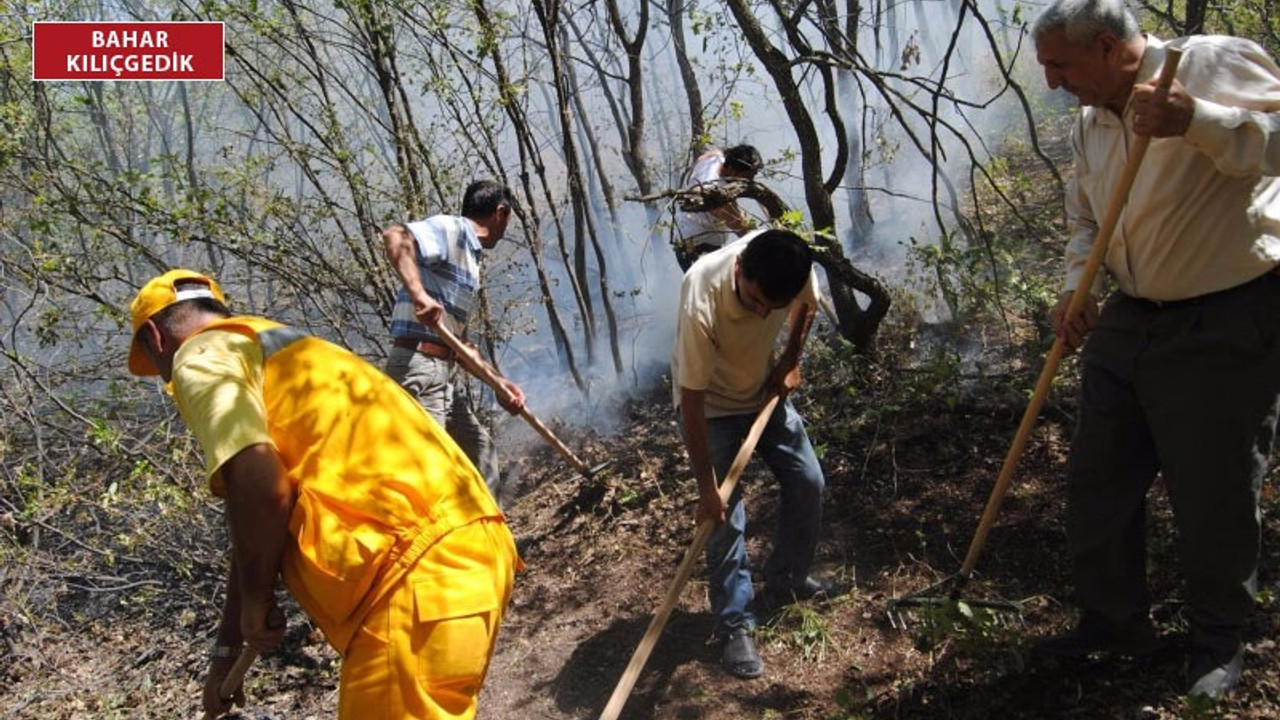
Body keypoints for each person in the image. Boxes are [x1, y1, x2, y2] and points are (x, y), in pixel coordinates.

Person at [126, 269, 518, 720]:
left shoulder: (201, 355)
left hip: (410, 577)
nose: (165, 380)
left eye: (157, 370)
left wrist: (257, 602)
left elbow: (259, 482)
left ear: (155, 338)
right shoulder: (287, 348)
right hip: (471, 548)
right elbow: (254, 519)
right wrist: (226, 649)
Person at [1031, 0, 1280, 701]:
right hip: (1131, 319)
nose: (1052, 82)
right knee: (1098, 480)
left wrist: (1196, 121)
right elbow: (1086, 218)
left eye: (1061, 65)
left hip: (1224, 316)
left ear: (1109, 48)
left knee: (1214, 492)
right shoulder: (1090, 123)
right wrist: (1078, 286)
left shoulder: (1207, 64)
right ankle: (1114, 623)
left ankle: (1217, 640)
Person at [671, 228, 845, 679]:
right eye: (753, 302)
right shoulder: (701, 292)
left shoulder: (789, 261)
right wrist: (708, 490)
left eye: (773, 306)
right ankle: (735, 625)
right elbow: (690, 400)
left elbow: (806, 304)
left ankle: (787, 578)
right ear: (740, 266)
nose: (763, 312)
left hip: (765, 393)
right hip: (711, 409)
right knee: (725, 518)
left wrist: (790, 358)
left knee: (809, 481)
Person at [382, 179, 526, 505]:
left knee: (481, 452)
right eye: (508, 219)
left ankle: (490, 542)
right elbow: (396, 236)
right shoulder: (453, 230)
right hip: (417, 368)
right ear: (500, 212)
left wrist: (499, 384)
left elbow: (460, 345)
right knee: (432, 472)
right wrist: (419, 295)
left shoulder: (470, 261)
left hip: (443, 372)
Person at [674, 144, 763, 271]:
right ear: (731, 169)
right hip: (697, 247)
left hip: (701, 238)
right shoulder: (712, 191)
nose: (750, 181)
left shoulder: (715, 158)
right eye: (747, 176)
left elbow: (713, 153)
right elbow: (740, 227)